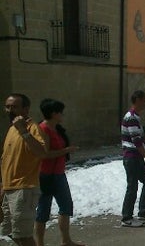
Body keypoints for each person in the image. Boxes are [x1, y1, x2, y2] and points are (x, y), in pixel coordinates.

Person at [1, 93, 53, 246]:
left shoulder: (32, 128)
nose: (10, 110)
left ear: (26, 109)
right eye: (8, 107)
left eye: (14, 107)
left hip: (24, 188)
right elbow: (6, 159)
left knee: (23, 235)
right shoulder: (11, 130)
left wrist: (24, 131)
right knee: (13, 234)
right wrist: (3, 186)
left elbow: (42, 153)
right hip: (9, 188)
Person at [35, 99, 83, 246]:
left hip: (59, 173)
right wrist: (66, 151)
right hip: (46, 175)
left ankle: (66, 240)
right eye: (60, 112)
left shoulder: (57, 128)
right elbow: (45, 154)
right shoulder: (43, 129)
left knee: (66, 205)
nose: (63, 114)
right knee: (43, 210)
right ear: (53, 113)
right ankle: (39, 244)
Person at [120, 90, 145, 228]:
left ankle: (143, 212)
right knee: (132, 187)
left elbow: (137, 137)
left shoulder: (135, 117)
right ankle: (127, 217)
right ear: (138, 100)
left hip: (135, 157)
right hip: (132, 157)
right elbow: (136, 141)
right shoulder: (131, 118)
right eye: (144, 99)